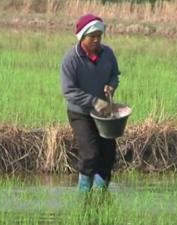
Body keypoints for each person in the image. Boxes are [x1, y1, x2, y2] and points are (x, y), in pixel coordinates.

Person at [60, 13, 121, 192]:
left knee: (109, 155)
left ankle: (101, 194)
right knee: (90, 154)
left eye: (99, 36)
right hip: (80, 113)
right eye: (92, 37)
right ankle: (84, 195)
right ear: (82, 37)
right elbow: (69, 91)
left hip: (103, 115)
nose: (96, 40)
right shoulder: (71, 59)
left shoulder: (108, 54)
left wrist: (111, 85)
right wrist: (94, 101)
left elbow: (114, 75)